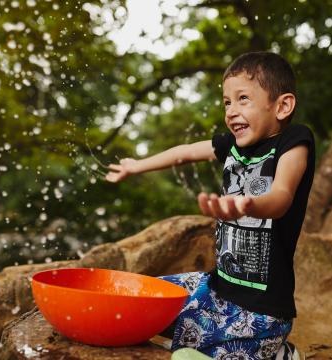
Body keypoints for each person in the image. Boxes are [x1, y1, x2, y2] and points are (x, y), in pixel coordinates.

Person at [106, 51, 314, 360]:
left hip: (261, 311)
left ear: (282, 106)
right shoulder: (231, 144)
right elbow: (185, 152)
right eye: (227, 102)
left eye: (243, 99)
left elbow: (281, 197)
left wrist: (248, 206)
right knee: (139, 301)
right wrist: (136, 166)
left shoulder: (294, 142)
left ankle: (278, 353)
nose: (231, 111)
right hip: (216, 289)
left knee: (202, 355)